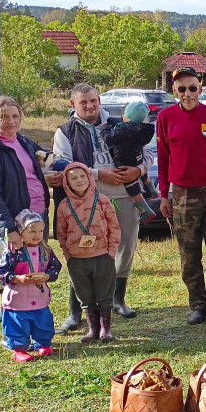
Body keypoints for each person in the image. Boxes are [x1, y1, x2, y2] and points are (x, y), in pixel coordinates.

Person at [51, 83, 152, 327]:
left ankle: (117, 300)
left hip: (124, 195)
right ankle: (76, 312)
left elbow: (148, 154)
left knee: (126, 245)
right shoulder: (65, 131)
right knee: (82, 251)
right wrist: (98, 174)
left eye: (93, 100)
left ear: (100, 101)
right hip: (87, 200)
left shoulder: (121, 123)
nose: (89, 105)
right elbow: (61, 164)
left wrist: (138, 169)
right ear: (73, 104)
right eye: (83, 102)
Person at [157, 67, 206, 325]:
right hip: (182, 192)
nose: (187, 93)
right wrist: (164, 194)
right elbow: (163, 157)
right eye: (181, 89)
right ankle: (197, 304)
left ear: (200, 88)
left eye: (192, 88)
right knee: (189, 252)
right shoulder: (166, 118)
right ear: (174, 91)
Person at [0, 96, 51, 325]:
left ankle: (36, 320)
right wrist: (9, 229)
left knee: (36, 269)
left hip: (38, 219)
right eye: (4, 116)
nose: (10, 121)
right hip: (16, 225)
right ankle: (14, 331)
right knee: (15, 277)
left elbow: (43, 161)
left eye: (15, 116)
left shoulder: (24, 142)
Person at [55, 163, 121, 343]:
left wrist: (111, 252)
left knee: (104, 295)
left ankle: (105, 329)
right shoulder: (64, 205)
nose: (79, 180)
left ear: (89, 177)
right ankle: (93, 329)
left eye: (82, 176)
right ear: (66, 183)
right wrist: (68, 256)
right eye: (74, 178)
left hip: (102, 256)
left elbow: (114, 227)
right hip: (77, 259)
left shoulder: (102, 200)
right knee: (85, 296)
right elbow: (61, 233)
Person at [0, 210, 61, 363]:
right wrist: (17, 278)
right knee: (18, 324)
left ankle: (43, 343)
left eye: (41, 231)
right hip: (18, 299)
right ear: (20, 232)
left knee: (43, 322)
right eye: (32, 231)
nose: (37, 235)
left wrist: (47, 276)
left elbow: (56, 266)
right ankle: (19, 349)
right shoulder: (13, 252)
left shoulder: (46, 250)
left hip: (39, 297)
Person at [97, 101, 157, 223]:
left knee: (130, 184)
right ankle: (152, 190)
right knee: (142, 173)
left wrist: (104, 129)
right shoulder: (142, 129)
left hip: (125, 161)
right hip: (138, 157)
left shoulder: (123, 130)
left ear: (127, 116)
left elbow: (109, 139)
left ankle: (145, 209)